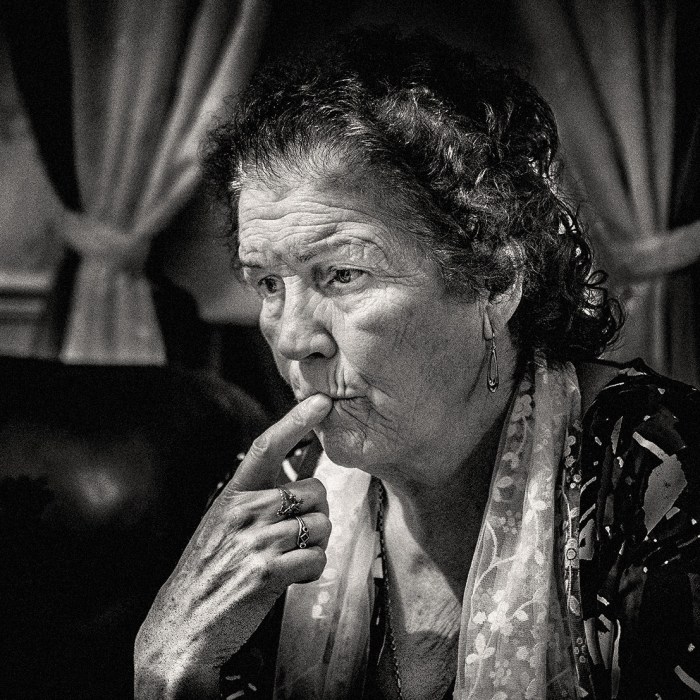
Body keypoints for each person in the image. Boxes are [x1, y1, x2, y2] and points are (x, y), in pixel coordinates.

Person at [135, 29, 700, 700]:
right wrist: (164, 669)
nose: (291, 339)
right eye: (267, 283)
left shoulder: (662, 475)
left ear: (494, 282)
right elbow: (179, 667)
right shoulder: (278, 499)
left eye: (342, 274)